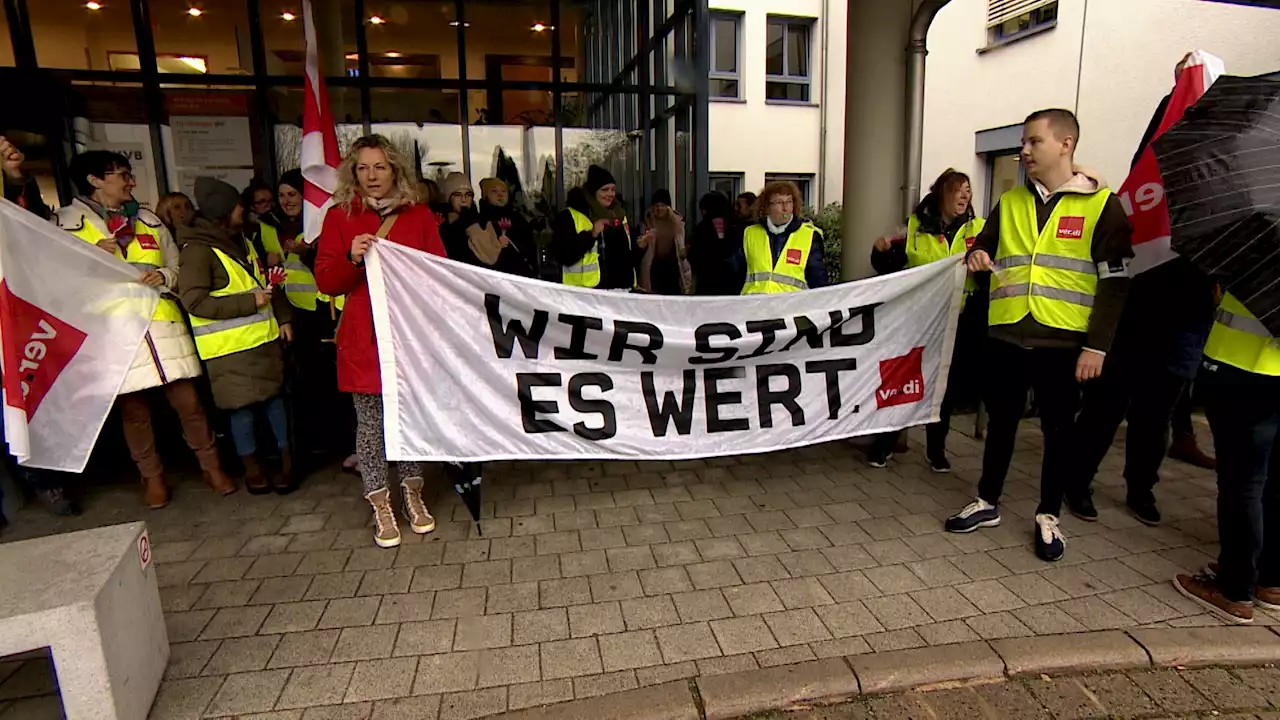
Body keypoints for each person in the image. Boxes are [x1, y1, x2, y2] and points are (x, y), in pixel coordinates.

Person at [945, 109, 1133, 562]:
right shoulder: (1010, 201)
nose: (1024, 151)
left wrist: (1097, 345)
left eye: (1034, 142)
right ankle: (987, 501)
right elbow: (983, 243)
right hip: (1008, 336)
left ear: (1065, 145)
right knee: (1001, 424)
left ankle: (1049, 514)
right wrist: (979, 255)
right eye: (1023, 144)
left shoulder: (1101, 205)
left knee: (1057, 431)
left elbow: (1115, 281)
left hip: (1065, 344)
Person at [1065, 58, 1219, 526]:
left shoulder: (1227, 171)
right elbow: (1142, 174)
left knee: (1156, 412)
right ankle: (1077, 482)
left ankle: (1141, 489)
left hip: (1187, 310)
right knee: (1108, 404)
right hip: (1139, 299)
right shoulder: (1167, 130)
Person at [55, 152, 235, 509]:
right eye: (122, 175)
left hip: (161, 323)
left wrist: (166, 277)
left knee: (190, 403)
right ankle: (152, 479)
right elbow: (55, 281)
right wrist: (89, 257)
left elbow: (176, 265)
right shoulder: (65, 223)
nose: (130, 182)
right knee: (134, 412)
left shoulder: (149, 219)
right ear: (95, 180)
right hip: (113, 332)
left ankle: (211, 467)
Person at [315, 134, 445, 549]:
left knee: (407, 418)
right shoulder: (339, 217)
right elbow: (327, 281)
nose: (372, 176)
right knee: (371, 425)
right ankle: (380, 504)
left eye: (380, 167)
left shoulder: (419, 216)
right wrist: (352, 258)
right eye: (363, 168)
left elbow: (439, 275)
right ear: (353, 172)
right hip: (363, 336)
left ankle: (413, 494)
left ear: (395, 170)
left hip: (407, 334)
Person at [178, 177, 294, 495]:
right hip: (229, 350)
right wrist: (249, 302)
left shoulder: (241, 239)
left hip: (264, 342)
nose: (243, 211)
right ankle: (253, 468)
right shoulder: (198, 252)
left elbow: (264, 282)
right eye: (239, 206)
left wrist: (282, 316)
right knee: (241, 412)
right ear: (225, 211)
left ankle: (286, 463)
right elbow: (194, 301)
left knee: (275, 405)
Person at [866, 168, 987, 471]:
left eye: (968, 191)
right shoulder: (914, 227)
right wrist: (879, 252)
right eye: (958, 189)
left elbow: (989, 276)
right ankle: (885, 442)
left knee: (944, 387)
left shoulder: (981, 228)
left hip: (958, 320)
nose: (964, 195)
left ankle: (936, 449)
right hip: (917, 320)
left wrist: (981, 271)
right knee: (903, 379)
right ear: (941, 194)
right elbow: (892, 267)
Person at [1172, 291, 1280, 624]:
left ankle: (1235, 589)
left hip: (1243, 372)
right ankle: (1270, 580)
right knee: (1272, 480)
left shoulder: (1257, 247)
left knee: (1241, 484)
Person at [259, 170, 354, 477]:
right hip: (297, 314)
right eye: (283, 195)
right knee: (308, 381)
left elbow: (335, 269)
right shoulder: (268, 227)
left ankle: (350, 443)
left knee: (339, 380)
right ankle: (320, 444)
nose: (287, 201)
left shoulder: (326, 223)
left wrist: (309, 253)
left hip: (329, 310)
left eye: (294, 195)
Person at [3, 137, 75, 515]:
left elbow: (27, 226)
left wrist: (15, 178)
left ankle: (48, 480)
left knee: (26, 396)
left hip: (15, 314)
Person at [551, 165, 639, 290]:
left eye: (613, 189)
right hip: (585, 297)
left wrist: (640, 247)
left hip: (622, 294)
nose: (610, 194)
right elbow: (563, 255)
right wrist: (591, 235)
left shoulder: (620, 216)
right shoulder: (570, 216)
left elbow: (629, 258)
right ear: (593, 192)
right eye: (605, 190)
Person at [736, 180, 828, 294]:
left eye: (789, 202)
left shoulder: (809, 235)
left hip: (792, 309)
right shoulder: (749, 233)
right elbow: (735, 276)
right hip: (755, 307)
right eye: (779, 202)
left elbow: (818, 281)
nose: (785, 208)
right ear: (766, 207)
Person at [687, 191, 745, 296]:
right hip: (732, 281)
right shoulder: (736, 225)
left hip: (707, 280)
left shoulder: (703, 227)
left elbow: (694, 255)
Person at [478, 177, 537, 278]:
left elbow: (530, 248)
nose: (500, 194)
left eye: (503, 191)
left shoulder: (518, 218)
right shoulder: (481, 221)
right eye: (494, 191)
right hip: (494, 277)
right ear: (486, 196)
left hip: (520, 275)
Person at [639, 189, 691, 295]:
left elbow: (684, 243)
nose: (659, 208)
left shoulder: (677, 223)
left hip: (673, 267)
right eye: (656, 205)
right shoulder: (647, 221)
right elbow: (639, 244)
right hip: (653, 267)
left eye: (662, 205)